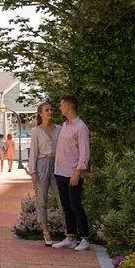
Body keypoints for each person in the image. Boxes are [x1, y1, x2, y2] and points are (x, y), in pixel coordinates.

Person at [46, 96, 93, 251]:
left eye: (60, 105)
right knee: (67, 207)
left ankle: (85, 238)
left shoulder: (81, 127)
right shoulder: (65, 126)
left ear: (67, 107)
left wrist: (78, 172)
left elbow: (84, 152)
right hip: (60, 173)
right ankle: (71, 237)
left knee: (76, 206)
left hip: (73, 174)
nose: (59, 108)